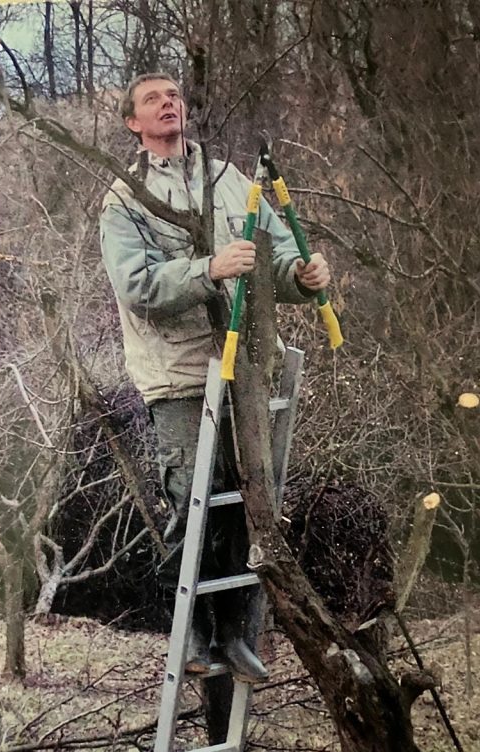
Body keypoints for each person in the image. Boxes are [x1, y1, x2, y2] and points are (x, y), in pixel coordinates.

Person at [100, 73, 331, 680]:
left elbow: (276, 255)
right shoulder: (124, 200)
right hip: (181, 374)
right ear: (133, 123)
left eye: (174, 95)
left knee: (253, 505)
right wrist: (209, 269)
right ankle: (195, 636)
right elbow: (138, 287)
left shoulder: (228, 179)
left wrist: (301, 276)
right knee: (193, 503)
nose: (168, 103)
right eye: (153, 99)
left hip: (247, 370)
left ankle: (234, 634)